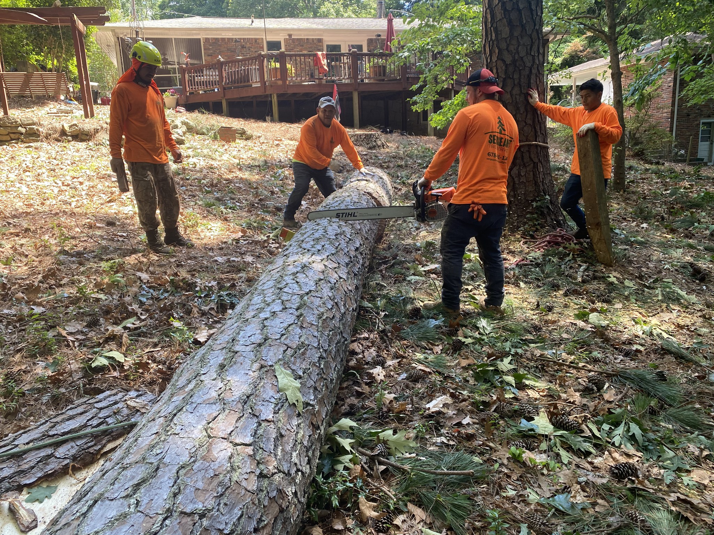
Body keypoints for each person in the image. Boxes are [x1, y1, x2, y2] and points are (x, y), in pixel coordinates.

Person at [419, 69, 519, 316]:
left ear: (477, 90)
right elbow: (500, 164)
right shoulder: (512, 123)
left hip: (469, 203)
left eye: (467, 92)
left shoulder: (469, 114)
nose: (466, 97)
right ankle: (495, 304)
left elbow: (446, 152)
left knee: (452, 250)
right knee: (492, 252)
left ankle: (451, 306)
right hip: (497, 203)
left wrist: (428, 178)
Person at [109, 41, 191, 254]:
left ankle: (172, 234)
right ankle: (153, 239)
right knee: (147, 198)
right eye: (149, 68)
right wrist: (115, 155)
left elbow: (163, 123)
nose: (152, 73)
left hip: (160, 155)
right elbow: (116, 124)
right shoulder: (123, 90)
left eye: (155, 69)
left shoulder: (154, 91)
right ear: (136, 65)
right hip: (138, 156)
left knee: (170, 196)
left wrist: (172, 147)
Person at [528, 78, 622, 239]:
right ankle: (586, 228)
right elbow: (558, 112)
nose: (584, 100)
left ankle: (599, 239)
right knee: (567, 203)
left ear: (599, 95)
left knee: (595, 206)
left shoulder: (608, 111)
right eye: (582, 96)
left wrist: (595, 126)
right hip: (579, 169)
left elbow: (615, 135)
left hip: (599, 170)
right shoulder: (578, 112)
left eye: (588, 96)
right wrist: (537, 104)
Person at [283, 96, 367, 228]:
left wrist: (359, 166)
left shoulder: (338, 129)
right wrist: (329, 163)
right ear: (318, 110)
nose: (327, 114)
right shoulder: (309, 126)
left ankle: (337, 219)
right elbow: (310, 151)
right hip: (303, 161)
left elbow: (348, 147)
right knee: (302, 186)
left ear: (335, 112)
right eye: (324, 111)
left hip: (322, 165)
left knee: (331, 193)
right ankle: (288, 217)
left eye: (331, 111)